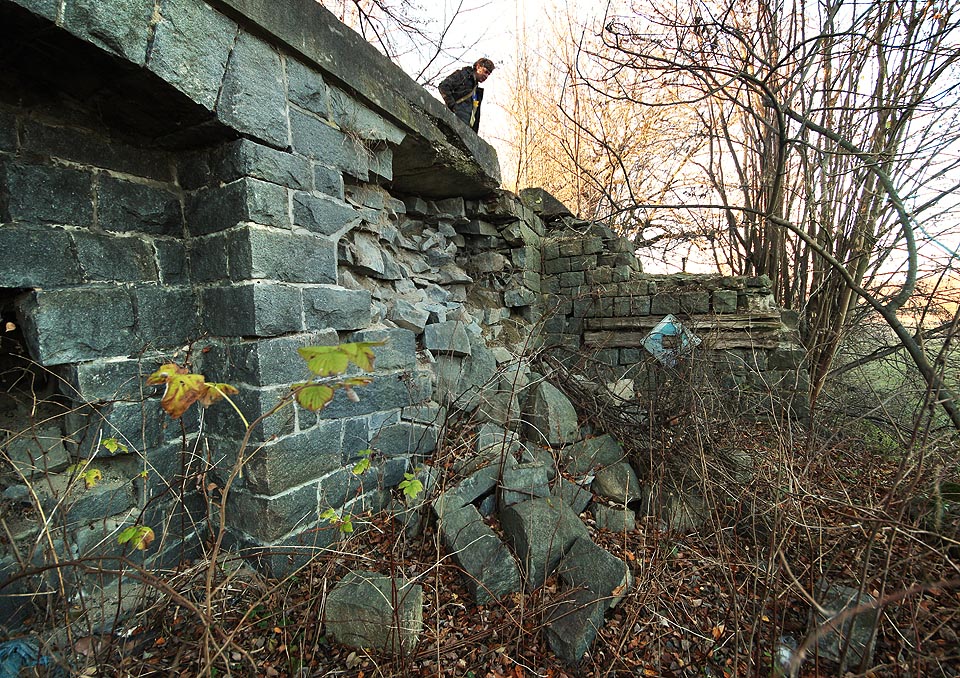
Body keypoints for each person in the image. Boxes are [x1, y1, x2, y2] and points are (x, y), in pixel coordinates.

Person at [438, 58, 495, 132]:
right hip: (452, 122)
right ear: (478, 67)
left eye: (488, 74)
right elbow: (443, 86)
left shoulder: (476, 91)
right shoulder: (463, 75)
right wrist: (453, 106)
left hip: (465, 129)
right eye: (485, 72)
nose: (486, 76)